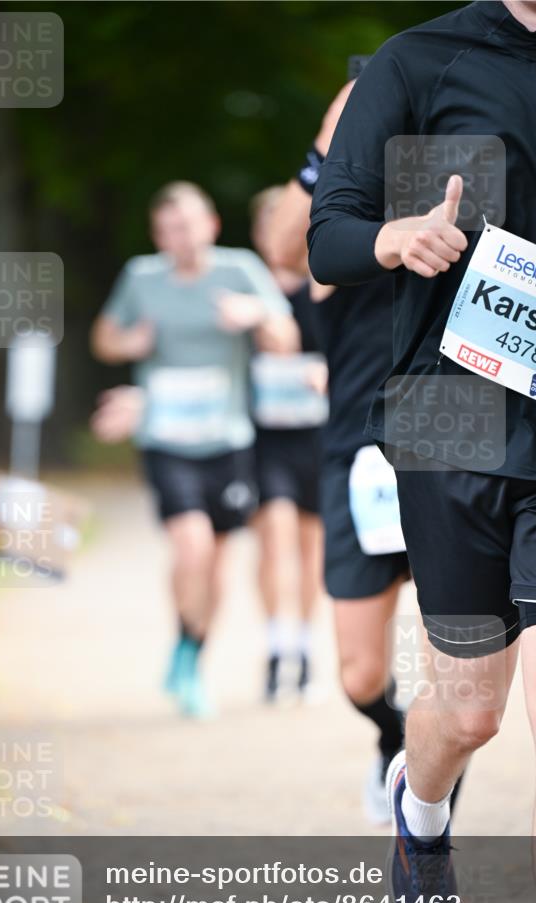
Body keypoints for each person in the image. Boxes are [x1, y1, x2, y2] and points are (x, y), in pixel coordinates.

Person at [307, 2, 536, 903]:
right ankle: (419, 807)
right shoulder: (416, 63)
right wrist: (394, 240)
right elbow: (325, 239)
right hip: (449, 423)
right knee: (468, 714)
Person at [91, 181, 297, 718]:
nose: (175, 239)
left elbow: (286, 338)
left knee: (215, 564)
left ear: (210, 226)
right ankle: (186, 653)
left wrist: (254, 317)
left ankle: (189, 654)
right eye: (165, 230)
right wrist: (129, 343)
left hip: (226, 439)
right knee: (192, 546)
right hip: (165, 437)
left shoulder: (239, 271)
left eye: (184, 226)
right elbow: (103, 338)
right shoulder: (142, 277)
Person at [267, 84, 410, 823]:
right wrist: (325, 143)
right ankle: (396, 738)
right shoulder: (341, 212)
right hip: (357, 456)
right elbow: (282, 251)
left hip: (455, 445)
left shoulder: (468, 192)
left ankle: (432, 793)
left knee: (470, 669)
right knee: (359, 674)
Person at [249, 187, 328, 702]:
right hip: (262, 438)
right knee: (274, 538)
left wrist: (329, 372)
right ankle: (277, 646)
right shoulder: (242, 293)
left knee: (309, 547)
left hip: (318, 435)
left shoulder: (327, 284)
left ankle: (304, 646)